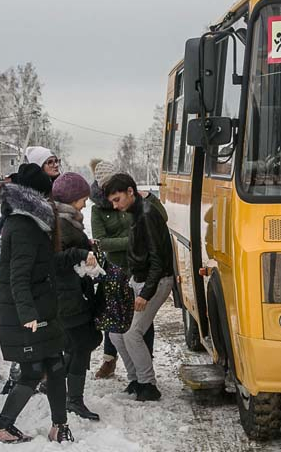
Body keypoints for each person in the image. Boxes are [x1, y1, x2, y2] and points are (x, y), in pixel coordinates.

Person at [0, 163, 92, 445]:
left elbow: (45, 264)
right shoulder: (21, 226)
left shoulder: (35, 223)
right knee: (33, 371)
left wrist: (79, 253)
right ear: (36, 195)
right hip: (27, 315)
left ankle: (59, 426)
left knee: (56, 365)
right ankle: (2, 427)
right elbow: (18, 277)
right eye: (47, 194)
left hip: (43, 309)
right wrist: (28, 315)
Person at [89, 160, 163, 379]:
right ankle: (110, 360)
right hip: (117, 269)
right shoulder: (100, 209)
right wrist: (134, 240)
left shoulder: (135, 201)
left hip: (139, 267)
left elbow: (159, 220)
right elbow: (101, 242)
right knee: (115, 319)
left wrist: (149, 197)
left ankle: (144, 366)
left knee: (141, 321)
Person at [103, 173, 174, 402]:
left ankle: (148, 385)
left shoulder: (146, 214)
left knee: (132, 333)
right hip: (139, 279)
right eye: (112, 202)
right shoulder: (136, 214)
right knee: (117, 333)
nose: (115, 206)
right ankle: (135, 379)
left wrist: (145, 293)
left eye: (117, 199)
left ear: (130, 192)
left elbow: (158, 258)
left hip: (156, 281)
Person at [51, 172, 103, 421]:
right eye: (83, 198)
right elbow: (56, 260)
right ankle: (74, 400)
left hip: (69, 294)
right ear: (72, 199)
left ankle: (65, 391)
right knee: (81, 343)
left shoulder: (63, 220)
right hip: (68, 297)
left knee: (74, 343)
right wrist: (82, 253)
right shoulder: (60, 224)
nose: (85, 203)